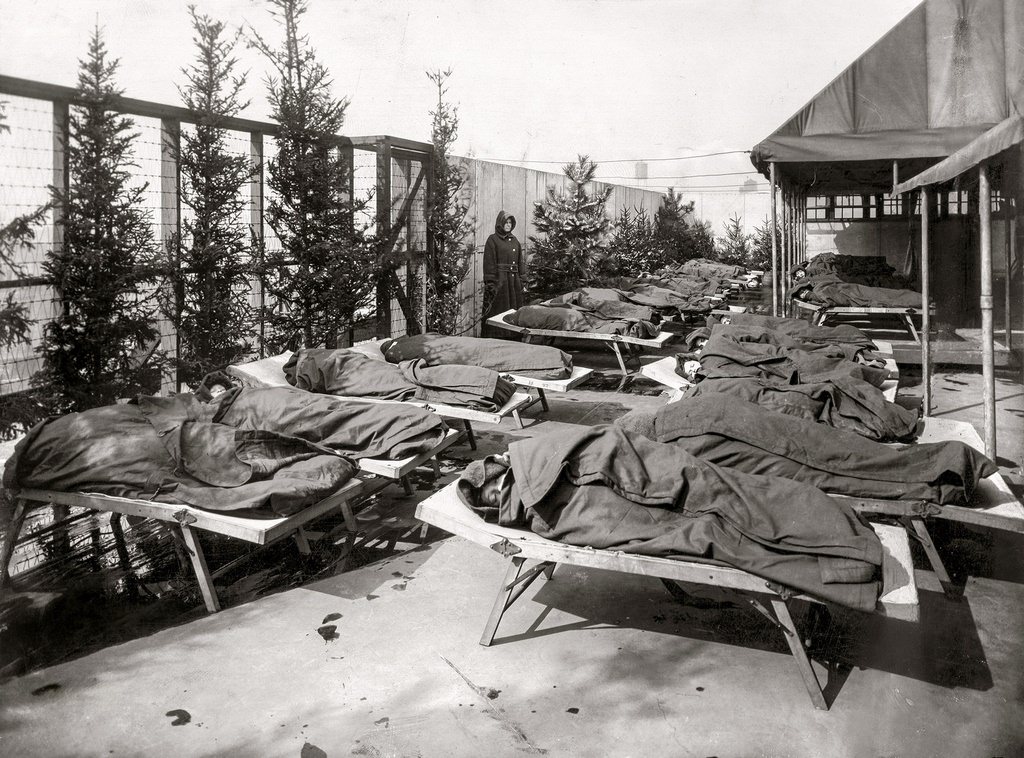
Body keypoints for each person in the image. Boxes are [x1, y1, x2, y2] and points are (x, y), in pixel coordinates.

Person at [482, 210, 525, 337]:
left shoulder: (515, 241)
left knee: (514, 309)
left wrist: (523, 279)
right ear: (500, 224)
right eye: (506, 222)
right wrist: (491, 283)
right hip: (500, 282)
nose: (508, 225)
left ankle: (514, 335)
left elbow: (520, 262)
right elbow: (489, 263)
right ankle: (498, 336)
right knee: (498, 309)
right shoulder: (493, 240)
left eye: (510, 223)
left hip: (514, 283)